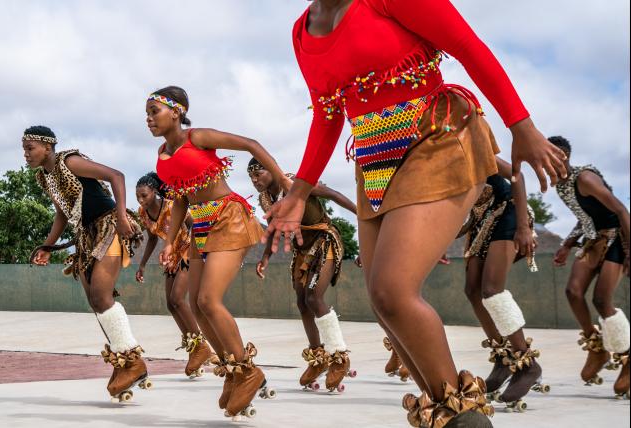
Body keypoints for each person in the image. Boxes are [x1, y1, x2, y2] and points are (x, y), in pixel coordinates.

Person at [264, 1, 569, 426]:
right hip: (373, 161)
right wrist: (298, 193)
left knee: (392, 289)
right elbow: (328, 114)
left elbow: (467, 45)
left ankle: (467, 419)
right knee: (382, 301)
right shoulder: (302, 33)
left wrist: (521, 125)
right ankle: (450, 416)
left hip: (436, 135)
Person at [148, 86, 283, 419]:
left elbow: (251, 145)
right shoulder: (162, 156)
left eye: (155, 111)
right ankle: (233, 371)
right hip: (200, 227)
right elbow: (179, 198)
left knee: (208, 300)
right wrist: (168, 241)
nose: (149, 119)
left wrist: (287, 183)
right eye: (147, 114)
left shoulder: (199, 137)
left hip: (227, 216)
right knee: (194, 303)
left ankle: (248, 371)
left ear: (176, 112)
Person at [23, 125, 150, 403]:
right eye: (24, 149)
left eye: (30, 148)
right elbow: (61, 214)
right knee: (95, 302)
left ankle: (133, 362)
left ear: (47, 146)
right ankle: (122, 361)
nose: (26, 154)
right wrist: (47, 246)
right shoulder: (45, 178)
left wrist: (122, 216)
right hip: (85, 234)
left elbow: (116, 176)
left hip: (109, 226)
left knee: (100, 296)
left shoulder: (70, 161)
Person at [248, 158, 357, 392]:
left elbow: (333, 194)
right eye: (251, 177)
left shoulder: (297, 184)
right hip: (302, 249)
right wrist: (266, 257)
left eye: (258, 173)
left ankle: (339, 356)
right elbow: (276, 226)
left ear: (272, 169)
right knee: (301, 301)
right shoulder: (265, 199)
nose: (254, 180)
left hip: (323, 239)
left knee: (314, 297)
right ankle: (318, 358)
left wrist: (361, 214)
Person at [462, 157, 548, 410]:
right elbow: (467, 216)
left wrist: (523, 226)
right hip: (482, 222)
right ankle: (503, 360)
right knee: (472, 290)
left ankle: (528, 364)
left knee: (491, 290)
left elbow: (517, 176)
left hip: (510, 210)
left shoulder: (467, 142)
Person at [549, 135, 630, 399]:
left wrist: (629, 251)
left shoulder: (584, 178)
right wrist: (567, 244)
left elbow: (621, 210)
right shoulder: (561, 187)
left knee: (601, 300)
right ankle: (597, 348)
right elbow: (584, 217)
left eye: (556, 156)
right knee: (573, 292)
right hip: (593, 239)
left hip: (617, 236)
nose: (550, 162)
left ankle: (627, 357)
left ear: (565, 157)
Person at [134, 172, 213, 378]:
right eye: (138, 197)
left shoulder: (171, 206)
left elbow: (195, 225)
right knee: (171, 303)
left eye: (144, 195)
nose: (141, 201)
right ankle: (195, 349)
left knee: (178, 298)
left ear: (154, 192)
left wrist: (200, 254)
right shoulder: (143, 213)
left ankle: (201, 346)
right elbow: (151, 238)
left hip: (189, 251)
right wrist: (142, 264)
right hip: (172, 256)